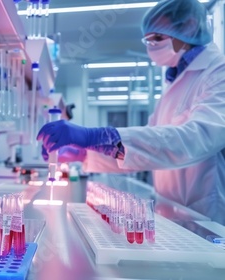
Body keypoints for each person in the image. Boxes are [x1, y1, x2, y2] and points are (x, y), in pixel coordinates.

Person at [37, 0, 225, 225]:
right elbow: (150, 146)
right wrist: (85, 154)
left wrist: (97, 137)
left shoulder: (218, 74)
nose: (150, 46)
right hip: (171, 210)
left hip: (205, 213)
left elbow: (199, 138)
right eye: (148, 40)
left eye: (157, 38)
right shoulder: (175, 80)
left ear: (190, 26)